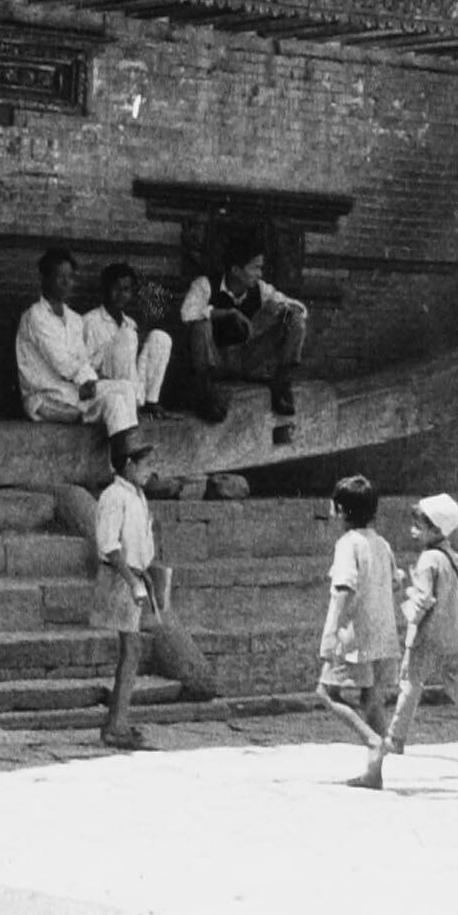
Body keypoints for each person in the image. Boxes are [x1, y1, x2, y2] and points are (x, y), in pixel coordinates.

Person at [356, 493, 458, 789]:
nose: (413, 531)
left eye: (418, 527)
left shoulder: (428, 560)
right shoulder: (454, 557)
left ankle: (395, 738)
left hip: (428, 636)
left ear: (434, 530)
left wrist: (405, 602)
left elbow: (423, 601)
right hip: (456, 635)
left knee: (410, 683)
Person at [16, 247, 144, 460]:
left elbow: (82, 358)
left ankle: (125, 462)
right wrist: (87, 381)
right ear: (45, 278)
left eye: (70, 277)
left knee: (122, 390)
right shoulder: (35, 316)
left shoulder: (74, 319)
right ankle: (129, 456)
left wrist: (94, 379)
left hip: (73, 392)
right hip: (46, 395)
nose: (66, 283)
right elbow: (59, 359)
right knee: (113, 392)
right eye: (60, 277)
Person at [317, 475, 401, 770]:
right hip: (384, 632)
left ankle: (371, 739)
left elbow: (344, 589)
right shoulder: (381, 543)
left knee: (326, 692)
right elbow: (395, 582)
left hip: (355, 635)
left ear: (341, 509)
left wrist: (330, 633)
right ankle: (375, 770)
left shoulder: (347, 544)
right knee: (372, 699)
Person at [178, 238, 308, 423]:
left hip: (246, 359)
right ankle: (205, 394)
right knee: (200, 324)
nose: (259, 274)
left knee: (294, 319)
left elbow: (300, 308)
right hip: (216, 361)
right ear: (236, 270)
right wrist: (227, 313)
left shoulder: (261, 289)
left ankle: (282, 384)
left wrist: (286, 310)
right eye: (255, 268)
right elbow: (187, 314)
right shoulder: (205, 284)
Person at [90, 437, 160, 751]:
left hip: (133, 575)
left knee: (132, 650)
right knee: (131, 650)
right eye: (146, 464)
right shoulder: (114, 496)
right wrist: (132, 581)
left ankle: (117, 722)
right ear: (129, 464)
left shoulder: (136, 496)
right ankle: (116, 726)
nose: (150, 471)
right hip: (121, 577)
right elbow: (109, 545)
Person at [84, 263, 174, 423]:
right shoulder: (90, 322)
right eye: (115, 288)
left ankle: (150, 402)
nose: (121, 294)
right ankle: (130, 406)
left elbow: (131, 364)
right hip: (107, 389)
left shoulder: (130, 323)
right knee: (127, 336)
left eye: (126, 290)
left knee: (160, 337)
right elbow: (84, 367)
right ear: (105, 290)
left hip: (130, 387)